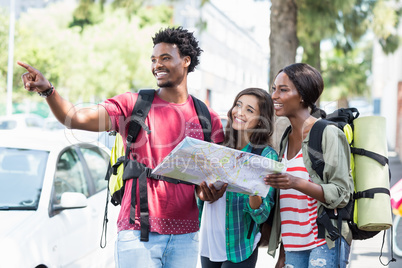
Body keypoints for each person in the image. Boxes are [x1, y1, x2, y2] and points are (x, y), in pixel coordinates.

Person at [18, 26, 224, 268]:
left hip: (187, 236)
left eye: (166, 58)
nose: (157, 65)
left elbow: (211, 180)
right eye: (154, 59)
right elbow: (75, 118)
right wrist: (48, 91)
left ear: (186, 61)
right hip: (138, 234)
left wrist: (210, 191)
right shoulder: (133, 105)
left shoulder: (207, 117)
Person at [264, 63, 354, 268]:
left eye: (283, 90)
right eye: (273, 89)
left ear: (303, 96)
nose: (274, 96)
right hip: (293, 245)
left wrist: (295, 182)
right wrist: (283, 253)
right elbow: (289, 204)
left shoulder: (328, 133)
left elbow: (342, 192)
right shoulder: (286, 138)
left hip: (324, 241)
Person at [196, 87, 278, 267]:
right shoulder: (216, 147)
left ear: (261, 120)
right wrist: (201, 193)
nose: (239, 112)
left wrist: (250, 188)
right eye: (238, 105)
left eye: (249, 110)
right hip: (210, 241)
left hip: (240, 246)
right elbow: (200, 198)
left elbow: (262, 215)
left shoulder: (265, 156)